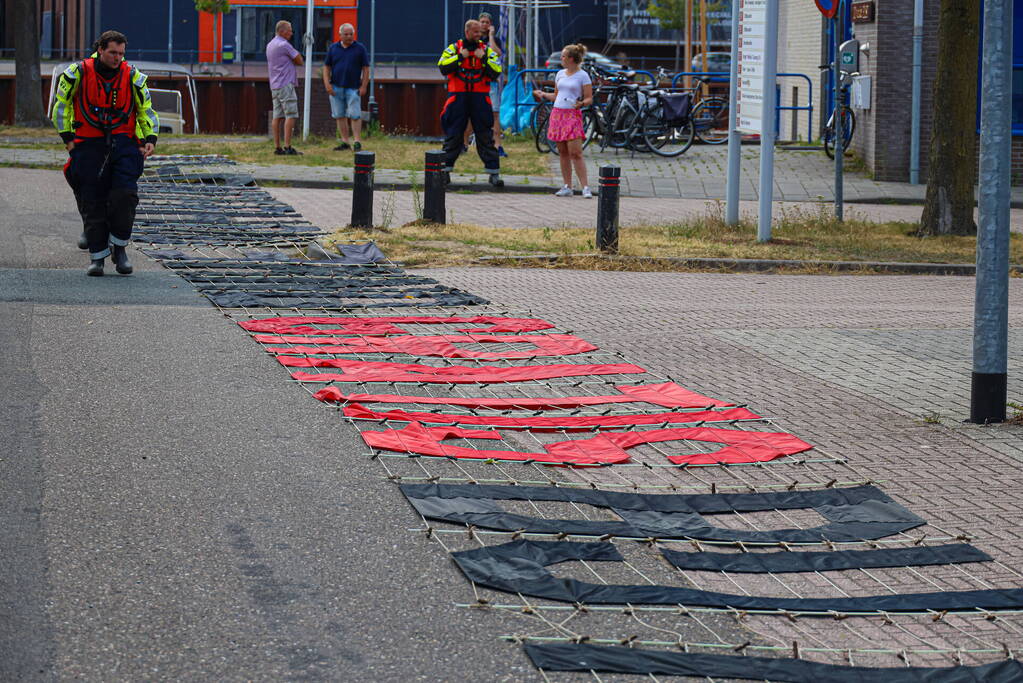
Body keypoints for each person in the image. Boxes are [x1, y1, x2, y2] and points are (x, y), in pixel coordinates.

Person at [52, 30, 159, 276]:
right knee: (92, 199)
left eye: (121, 53)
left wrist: (148, 139)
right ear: (100, 49)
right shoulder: (77, 73)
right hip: (88, 141)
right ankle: (97, 257)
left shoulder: (133, 77)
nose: (117, 58)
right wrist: (69, 140)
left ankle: (119, 248)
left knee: (125, 195)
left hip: (123, 142)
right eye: (112, 52)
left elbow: (145, 110)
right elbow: (61, 106)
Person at [438, 20, 504, 187]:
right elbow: (442, 66)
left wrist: (483, 60)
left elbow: (496, 71)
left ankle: (493, 173)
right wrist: (461, 57)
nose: (478, 35)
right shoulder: (453, 48)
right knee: (454, 134)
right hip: (458, 97)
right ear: (467, 32)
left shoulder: (487, 51)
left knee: (485, 136)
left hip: (480, 98)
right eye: (475, 32)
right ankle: (445, 172)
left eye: (480, 33)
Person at [533, 43, 593, 198]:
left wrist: (582, 103)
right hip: (557, 114)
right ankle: (567, 185)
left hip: (572, 114)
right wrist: (544, 95)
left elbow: (589, 98)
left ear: (571, 59)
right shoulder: (560, 74)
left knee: (576, 152)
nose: (561, 58)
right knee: (562, 152)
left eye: (563, 56)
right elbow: (556, 95)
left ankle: (585, 186)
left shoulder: (583, 75)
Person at [463, 12, 506, 158]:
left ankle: (497, 145)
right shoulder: (472, 40)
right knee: (469, 114)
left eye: (487, 22)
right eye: (482, 21)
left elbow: (497, 54)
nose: (484, 24)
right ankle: (464, 144)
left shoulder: (494, 40)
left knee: (494, 114)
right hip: (474, 82)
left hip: (490, 83)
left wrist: (492, 36)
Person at [323, 23, 369, 151]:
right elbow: (327, 67)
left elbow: (366, 68)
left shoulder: (360, 48)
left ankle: (357, 141)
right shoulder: (333, 48)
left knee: (355, 115)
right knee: (339, 115)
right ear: (340, 35)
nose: (349, 37)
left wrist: (364, 86)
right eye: (346, 34)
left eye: (351, 34)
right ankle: (345, 142)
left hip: (354, 88)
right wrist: (327, 84)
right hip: (336, 87)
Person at [266, 20, 304, 155]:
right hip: (285, 83)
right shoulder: (284, 45)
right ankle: (288, 146)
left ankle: (277, 147)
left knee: (277, 116)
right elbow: (299, 60)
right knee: (291, 114)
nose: (292, 33)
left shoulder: (270, 44)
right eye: (289, 30)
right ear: (282, 31)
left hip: (274, 84)